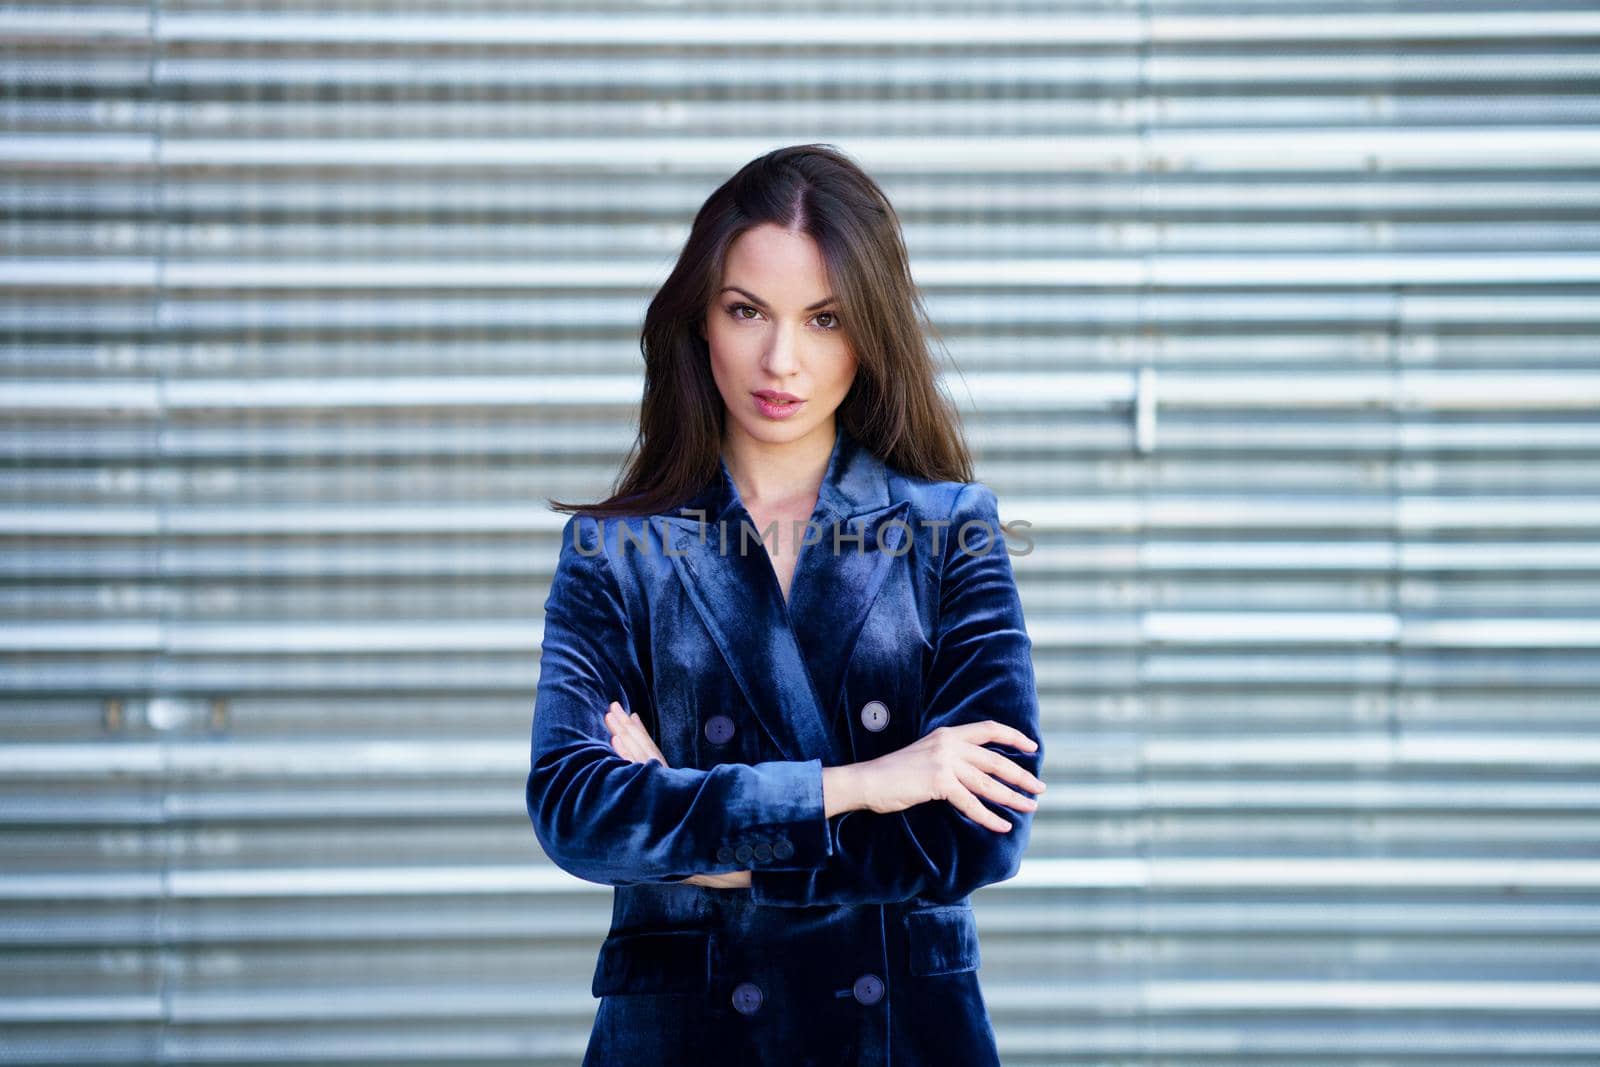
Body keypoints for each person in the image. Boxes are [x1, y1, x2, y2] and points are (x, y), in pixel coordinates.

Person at [527, 142, 1046, 1066]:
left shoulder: (953, 530)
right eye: (747, 311)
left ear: (870, 331)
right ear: (701, 321)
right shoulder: (615, 551)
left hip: (902, 1038)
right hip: (685, 1039)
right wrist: (866, 783)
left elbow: (980, 835)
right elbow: (578, 809)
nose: (782, 359)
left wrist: (684, 826)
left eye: (824, 318)